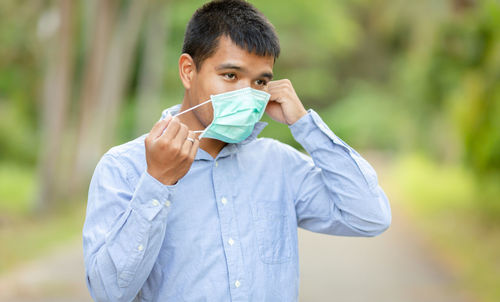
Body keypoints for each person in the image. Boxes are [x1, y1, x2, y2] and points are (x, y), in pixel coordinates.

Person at [82, 0, 392, 301]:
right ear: (188, 71)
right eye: (230, 76)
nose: (247, 95)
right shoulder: (125, 167)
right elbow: (109, 293)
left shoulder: (278, 164)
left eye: (259, 82)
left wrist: (304, 125)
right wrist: (157, 183)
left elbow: (370, 215)